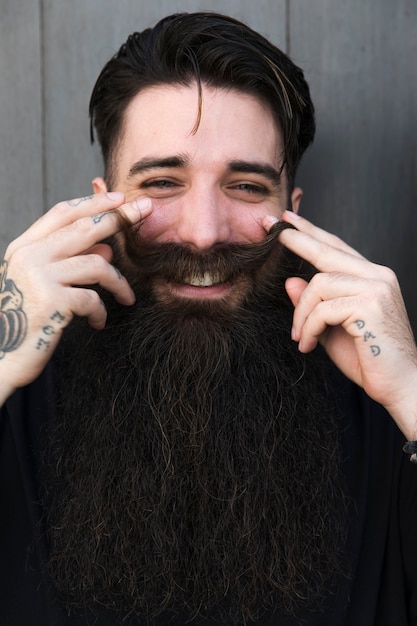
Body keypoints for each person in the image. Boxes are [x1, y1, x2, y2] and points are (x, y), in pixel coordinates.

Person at [1, 11, 417, 626]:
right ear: (99, 202)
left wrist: (412, 392)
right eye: (162, 182)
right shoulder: (15, 400)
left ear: (292, 212)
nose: (202, 233)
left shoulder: (388, 416)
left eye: (247, 186)